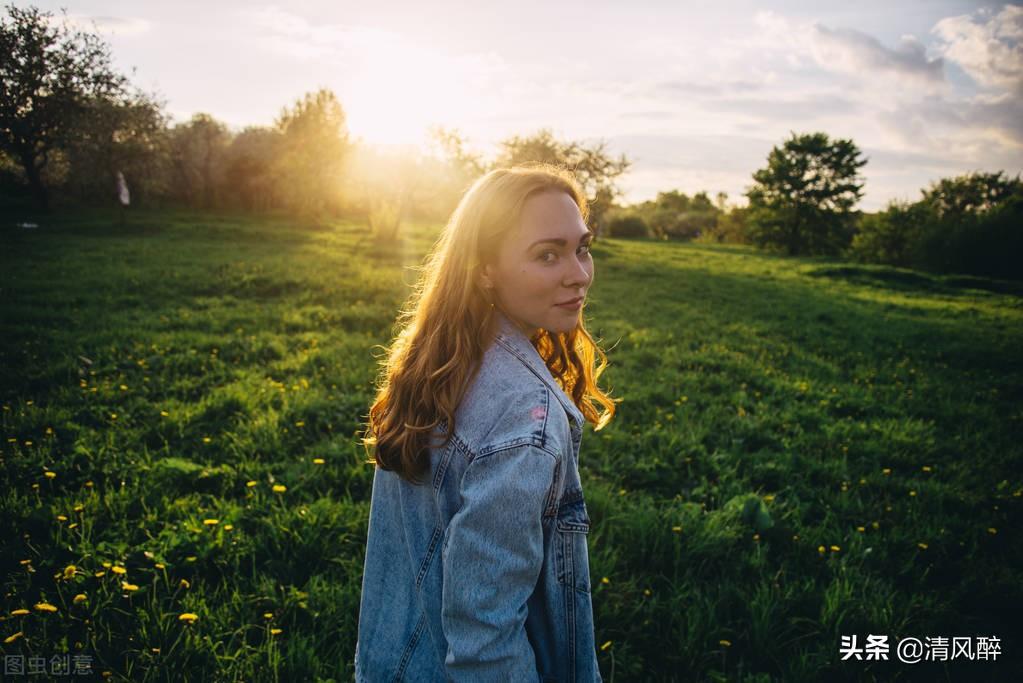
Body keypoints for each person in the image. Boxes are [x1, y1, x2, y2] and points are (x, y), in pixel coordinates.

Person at [354, 163, 618, 682]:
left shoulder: (441, 362)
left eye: (581, 248)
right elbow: (486, 640)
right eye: (548, 255)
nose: (579, 273)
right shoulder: (526, 421)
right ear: (484, 271)